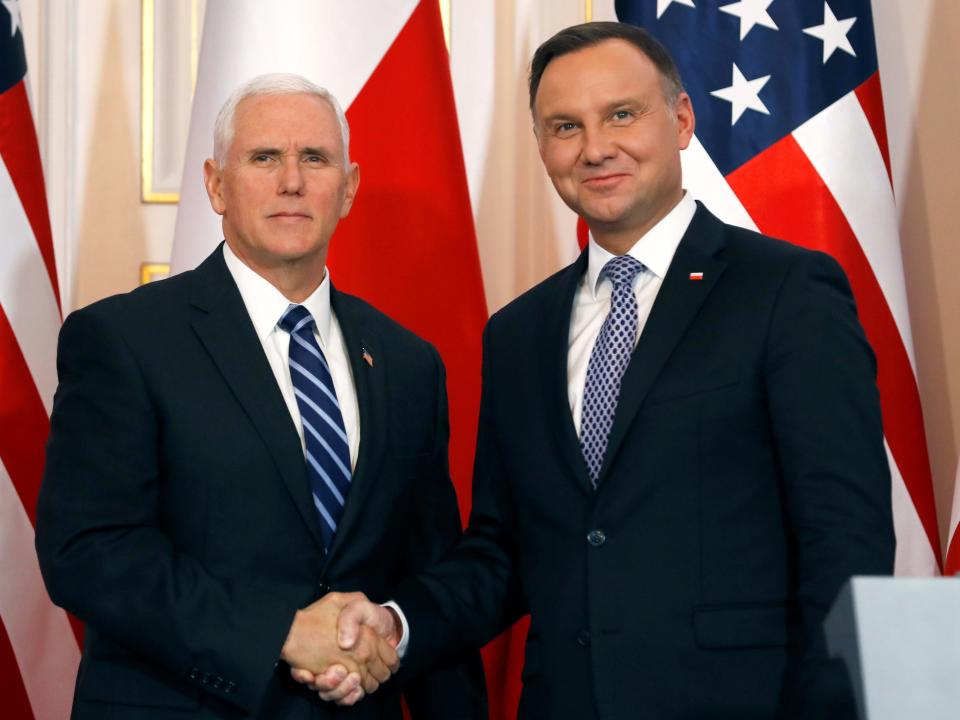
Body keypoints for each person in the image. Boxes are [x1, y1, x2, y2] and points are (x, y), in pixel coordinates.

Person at [316, 22, 895, 719]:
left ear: (681, 120)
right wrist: (396, 622)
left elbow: (845, 541)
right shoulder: (517, 333)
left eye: (621, 114)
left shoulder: (787, 292)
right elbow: (503, 552)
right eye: (565, 126)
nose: (595, 148)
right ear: (542, 147)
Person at [35, 73, 485, 719]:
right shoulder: (124, 340)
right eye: (265, 157)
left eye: (315, 158)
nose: (292, 181)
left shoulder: (407, 363)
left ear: (349, 187)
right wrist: (279, 632)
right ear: (216, 184)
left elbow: (429, 570)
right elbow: (88, 550)